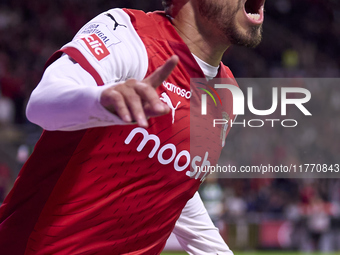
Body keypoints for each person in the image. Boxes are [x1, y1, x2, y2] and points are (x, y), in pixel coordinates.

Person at [0, 0, 265, 254]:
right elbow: (41, 104)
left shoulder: (227, 94)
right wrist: (102, 101)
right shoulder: (129, 33)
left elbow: (171, 183)